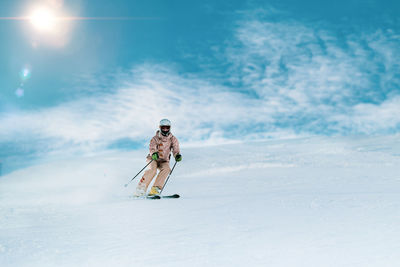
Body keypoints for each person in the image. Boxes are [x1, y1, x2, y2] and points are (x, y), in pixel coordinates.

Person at [135, 119, 182, 197]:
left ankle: (155, 189)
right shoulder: (155, 138)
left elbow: (175, 149)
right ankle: (140, 189)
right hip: (153, 158)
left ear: (170, 128)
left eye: (167, 128)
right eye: (163, 128)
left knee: (167, 169)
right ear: (160, 128)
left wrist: (177, 155)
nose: (165, 129)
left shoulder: (173, 139)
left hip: (164, 160)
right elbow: (152, 148)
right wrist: (154, 153)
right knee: (152, 170)